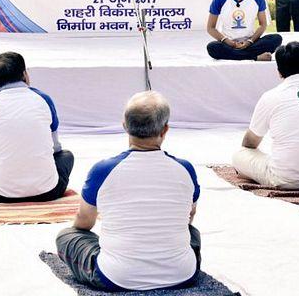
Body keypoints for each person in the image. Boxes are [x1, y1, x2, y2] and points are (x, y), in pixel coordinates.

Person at [56, 91, 202, 291]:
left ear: (124, 125)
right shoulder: (186, 169)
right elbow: (188, 218)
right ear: (165, 129)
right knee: (191, 233)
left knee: (67, 236)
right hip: (182, 274)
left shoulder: (103, 170)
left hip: (116, 277)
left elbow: (84, 223)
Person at [0, 52, 73, 202]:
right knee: (66, 156)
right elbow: (55, 147)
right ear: (24, 74)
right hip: (49, 191)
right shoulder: (44, 99)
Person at [231, 41, 299, 189]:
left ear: (279, 72)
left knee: (240, 155)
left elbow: (250, 142)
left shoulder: (272, 96)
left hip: (286, 179)